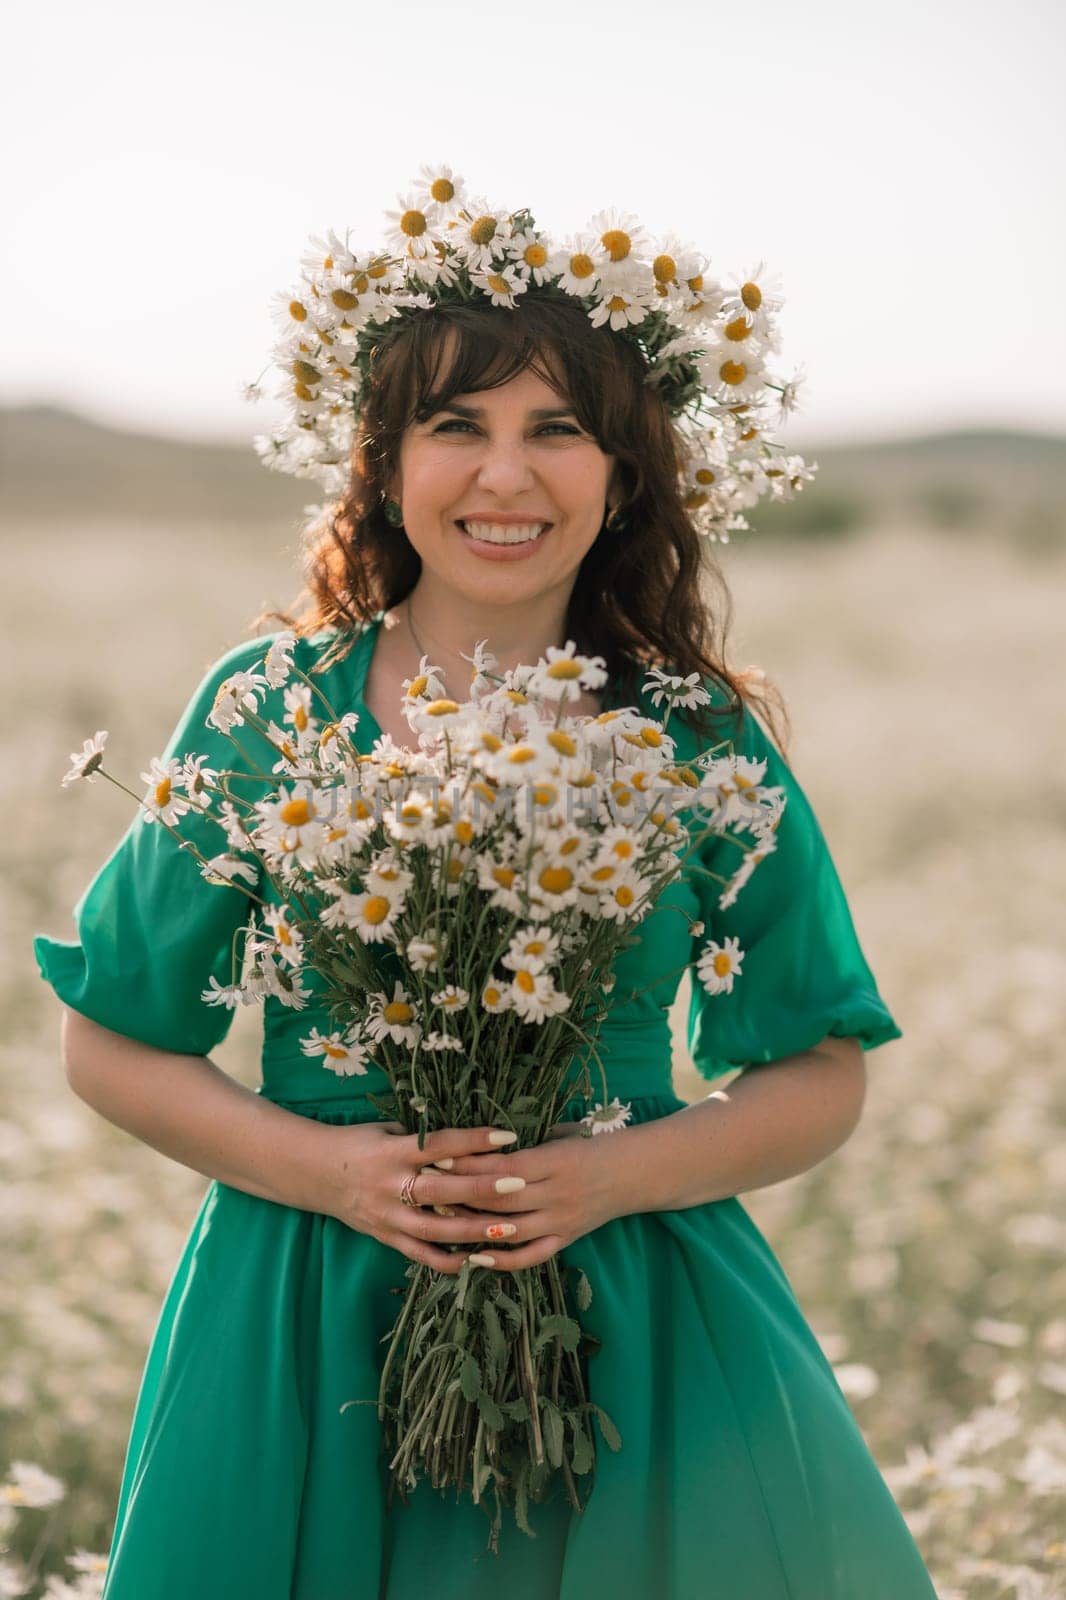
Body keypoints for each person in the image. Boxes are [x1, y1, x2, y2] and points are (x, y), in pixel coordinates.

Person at [34, 169, 939, 1597]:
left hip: (637, 1313)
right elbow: (113, 1036)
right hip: (307, 1310)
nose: (503, 477)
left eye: (557, 432)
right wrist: (332, 1171)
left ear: (625, 472)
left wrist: (602, 1177)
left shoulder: (693, 738)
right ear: (382, 466)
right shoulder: (270, 705)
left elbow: (819, 1067)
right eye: (454, 427)